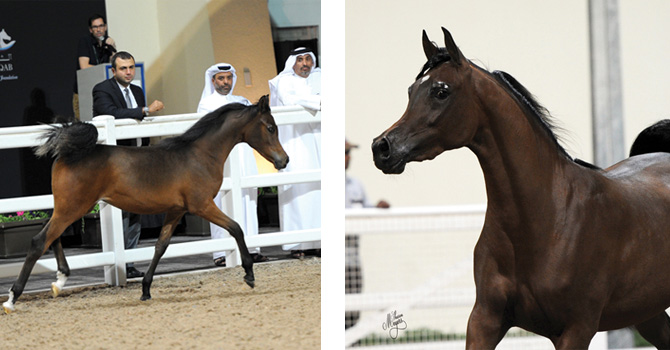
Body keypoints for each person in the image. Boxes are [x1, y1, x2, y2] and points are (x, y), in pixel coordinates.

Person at [92, 51, 164, 278]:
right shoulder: (102, 89)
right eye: (123, 68)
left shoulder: (137, 91)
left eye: (131, 67)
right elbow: (111, 113)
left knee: (136, 210)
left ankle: (129, 263)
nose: (128, 72)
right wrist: (144, 110)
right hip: (116, 161)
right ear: (113, 71)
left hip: (139, 158)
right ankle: (118, 264)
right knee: (120, 211)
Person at [197, 63, 269, 267]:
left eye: (228, 78)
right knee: (221, 203)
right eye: (221, 78)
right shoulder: (206, 104)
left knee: (248, 201)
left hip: (244, 157)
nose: (225, 82)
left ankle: (252, 249)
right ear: (213, 81)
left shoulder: (242, 101)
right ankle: (222, 252)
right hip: (222, 160)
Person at [268, 47, 321, 259]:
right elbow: (290, 101)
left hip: (319, 142)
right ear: (292, 63)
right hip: (294, 144)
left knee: (319, 193)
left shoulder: (321, 78)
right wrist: (318, 101)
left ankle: (319, 241)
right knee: (297, 193)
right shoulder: (282, 81)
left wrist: (309, 99)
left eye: (308, 59)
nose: (305, 63)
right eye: (300, 60)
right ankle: (297, 245)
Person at [73, 14, 117, 120]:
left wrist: (113, 48)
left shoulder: (107, 42)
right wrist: (103, 70)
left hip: (104, 92)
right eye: (95, 27)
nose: (99, 29)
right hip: (85, 92)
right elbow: (84, 66)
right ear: (90, 29)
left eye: (101, 26)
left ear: (105, 27)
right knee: (84, 126)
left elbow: (116, 64)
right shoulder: (85, 41)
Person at [345, 139, 390, 209]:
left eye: (348, 153)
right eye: (345, 152)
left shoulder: (355, 184)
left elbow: (365, 209)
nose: (349, 157)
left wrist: (377, 207)